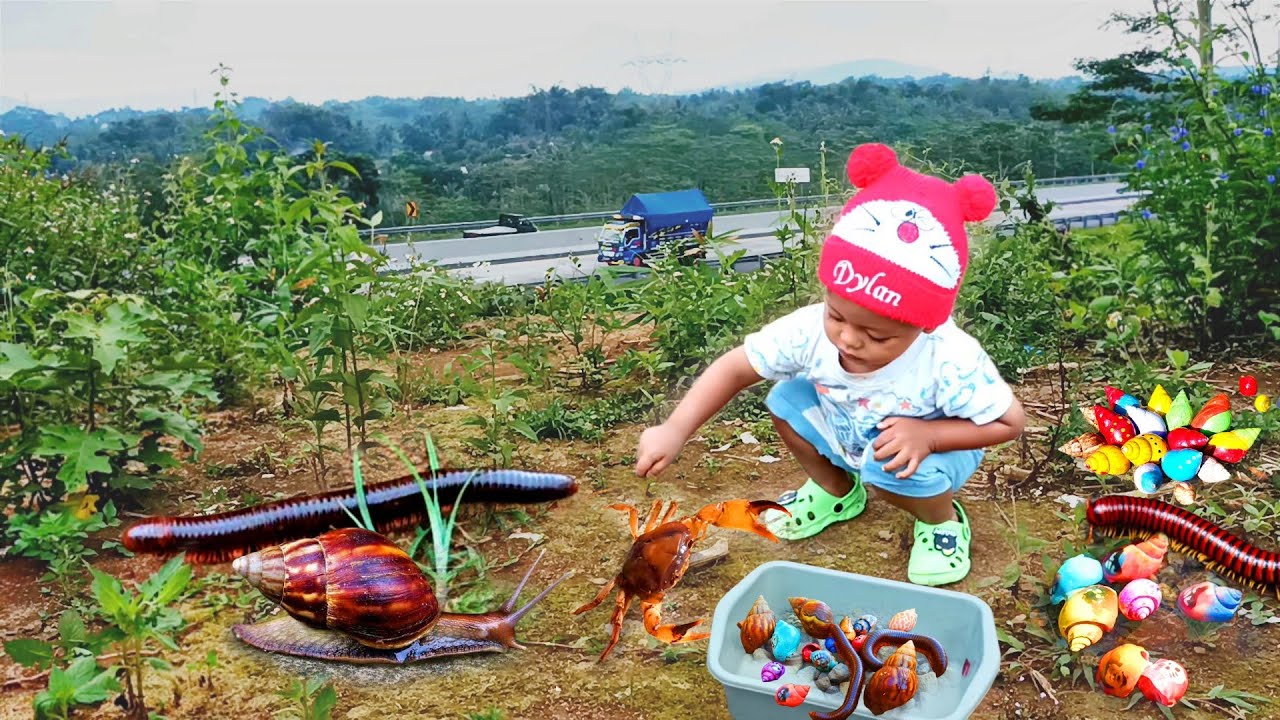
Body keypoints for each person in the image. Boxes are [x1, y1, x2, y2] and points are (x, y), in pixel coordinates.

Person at [633, 143, 1026, 587]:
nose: (849, 337)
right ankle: (835, 492)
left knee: (886, 466)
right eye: (836, 315)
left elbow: (1010, 423)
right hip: (853, 426)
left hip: (936, 447)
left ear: (923, 326)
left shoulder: (948, 357)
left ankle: (940, 522)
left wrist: (931, 435)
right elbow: (735, 368)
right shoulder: (810, 330)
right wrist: (676, 428)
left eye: (878, 336)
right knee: (785, 399)